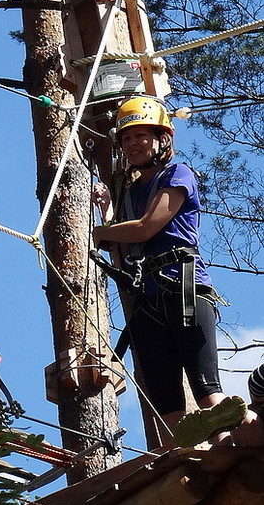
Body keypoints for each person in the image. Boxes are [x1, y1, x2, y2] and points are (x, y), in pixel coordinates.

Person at [91, 96, 248, 449]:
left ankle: (239, 442)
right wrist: (105, 215)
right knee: (165, 399)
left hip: (183, 287)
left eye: (141, 136)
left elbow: (148, 227)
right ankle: (192, 458)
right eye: (126, 139)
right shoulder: (130, 191)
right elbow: (122, 249)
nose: (132, 144)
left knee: (206, 388)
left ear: (162, 139)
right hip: (147, 301)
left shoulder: (178, 174)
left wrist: (102, 232)